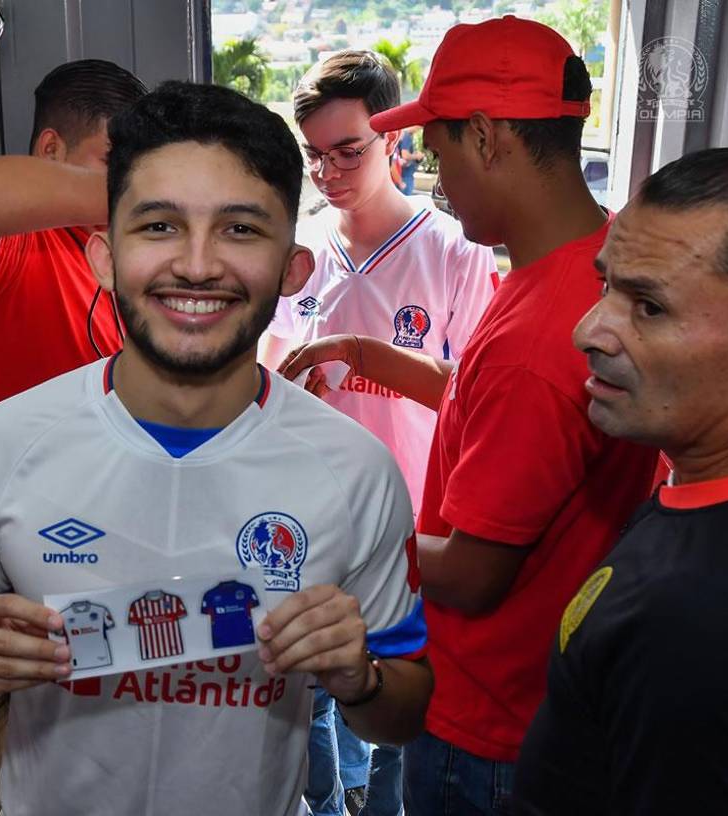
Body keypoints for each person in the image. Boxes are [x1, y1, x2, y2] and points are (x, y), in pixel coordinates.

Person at [0, 81, 433, 816]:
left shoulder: (356, 470)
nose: (197, 265)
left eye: (241, 230)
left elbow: (402, 710)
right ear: (103, 256)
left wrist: (360, 679)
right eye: (157, 226)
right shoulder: (3, 443)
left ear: (292, 269)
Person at [280, 16, 659, 814]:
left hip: (487, 717)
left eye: (443, 149)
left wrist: (336, 532)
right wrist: (373, 354)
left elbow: (476, 573)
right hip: (546, 688)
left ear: (487, 138)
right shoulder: (594, 266)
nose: (438, 177)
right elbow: (493, 402)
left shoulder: (533, 332)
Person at [260, 49, 495, 816]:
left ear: (394, 141)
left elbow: (476, 404)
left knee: (402, 692)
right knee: (316, 688)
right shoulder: (298, 255)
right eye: (315, 156)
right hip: (312, 515)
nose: (328, 171)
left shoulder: (454, 255)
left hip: (413, 522)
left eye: (348, 151)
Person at [513, 148, 728, 815]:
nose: (589, 330)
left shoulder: (696, 616)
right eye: (605, 286)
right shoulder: (698, 497)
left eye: (648, 307)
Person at [0, 59, 147, 431]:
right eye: (115, 160)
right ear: (50, 150)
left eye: (141, 164)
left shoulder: (127, 243)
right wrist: (154, 192)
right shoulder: (17, 238)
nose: (134, 177)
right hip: (17, 482)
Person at [397, 128, 423, 195]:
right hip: (405, 177)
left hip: (403, 175)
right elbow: (405, 155)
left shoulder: (405, 135)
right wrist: (417, 156)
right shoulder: (407, 136)